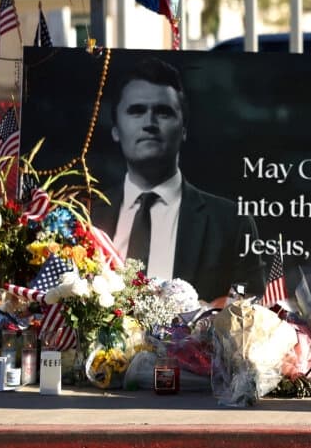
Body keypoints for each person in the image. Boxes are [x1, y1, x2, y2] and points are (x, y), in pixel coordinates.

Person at [90, 56, 265, 303]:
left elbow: (250, 310)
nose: (149, 123)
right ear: (116, 129)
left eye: (163, 112)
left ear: (183, 129)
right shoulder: (86, 215)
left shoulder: (231, 225)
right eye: (136, 111)